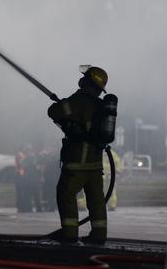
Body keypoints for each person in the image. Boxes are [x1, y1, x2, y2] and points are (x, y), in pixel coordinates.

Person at [47, 66, 110, 244]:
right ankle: (99, 235)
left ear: (87, 82)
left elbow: (54, 112)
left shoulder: (78, 101)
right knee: (96, 200)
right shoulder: (101, 106)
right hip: (96, 164)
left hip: (77, 162)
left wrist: (62, 105)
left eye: (84, 78)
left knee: (65, 194)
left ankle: (69, 234)